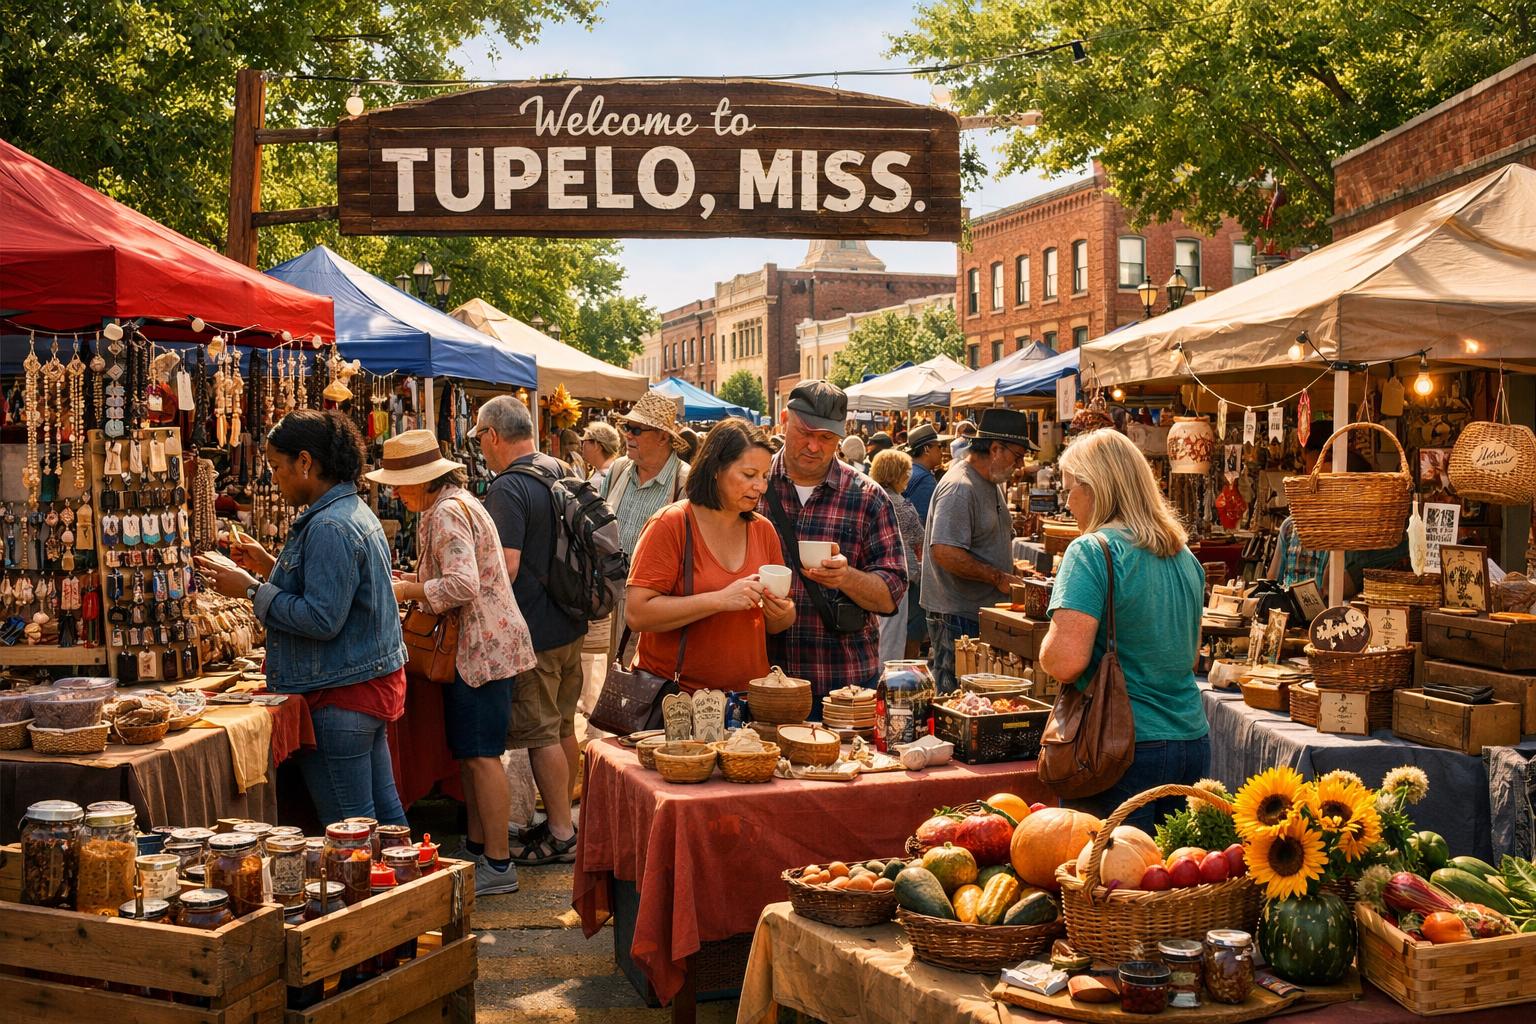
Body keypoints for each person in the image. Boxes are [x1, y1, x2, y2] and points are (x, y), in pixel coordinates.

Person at [197, 410, 408, 826]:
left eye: (278, 467)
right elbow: (335, 591)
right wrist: (268, 565)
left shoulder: (329, 524)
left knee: (352, 832)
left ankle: (375, 893)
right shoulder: (350, 510)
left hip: (339, 695)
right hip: (359, 688)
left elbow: (322, 618)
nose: (275, 478)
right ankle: (409, 886)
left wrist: (252, 590)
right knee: (383, 818)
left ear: (306, 463)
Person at [367, 430, 536, 895]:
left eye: (400, 484)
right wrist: (416, 580)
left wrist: (407, 590)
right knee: (473, 755)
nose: (395, 493)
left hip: (478, 651)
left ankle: (498, 864)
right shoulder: (454, 503)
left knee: (482, 758)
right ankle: (482, 851)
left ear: (423, 480)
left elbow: (462, 585)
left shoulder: (444, 514)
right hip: (481, 648)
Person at [1038, 427, 1208, 830]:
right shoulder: (1182, 555)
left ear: (1094, 487)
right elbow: (1187, 652)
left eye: (1069, 489)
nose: (1067, 502)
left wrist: (1048, 643)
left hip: (1118, 747)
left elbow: (1064, 662)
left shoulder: (1092, 550)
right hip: (1191, 738)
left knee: (1112, 883)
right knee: (1174, 884)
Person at [474, 396, 584, 866]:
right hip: (570, 622)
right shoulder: (560, 470)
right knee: (562, 726)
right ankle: (568, 818)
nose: (479, 446)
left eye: (478, 437)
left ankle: (561, 833)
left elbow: (509, 565)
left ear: (493, 436)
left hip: (533, 630)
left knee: (540, 735)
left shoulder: (508, 488)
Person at [759, 381, 907, 710]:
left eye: (826, 438)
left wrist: (846, 578)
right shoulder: (752, 484)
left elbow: (892, 593)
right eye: (804, 432)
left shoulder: (868, 497)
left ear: (841, 436)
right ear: (784, 421)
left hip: (844, 686)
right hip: (761, 681)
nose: (813, 446)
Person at [626, 419, 796, 689]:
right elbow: (636, 614)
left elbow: (778, 624)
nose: (761, 487)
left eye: (765, 477)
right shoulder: (671, 524)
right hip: (677, 704)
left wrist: (782, 611)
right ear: (716, 469)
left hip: (748, 701)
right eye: (749, 475)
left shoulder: (763, 530)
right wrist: (719, 600)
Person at [922, 409, 1032, 693]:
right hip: (957, 615)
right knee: (955, 695)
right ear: (995, 449)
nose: (1020, 465)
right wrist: (997, 577)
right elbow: (944, 551)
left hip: (974, 612)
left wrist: (1012, 571)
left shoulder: (989, 481)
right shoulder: (960, 487)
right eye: (1018, 456)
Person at [601, 392, 692, 661]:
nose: (628, 435)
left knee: (649, 684)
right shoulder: (618, 470)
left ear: (664, 437)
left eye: (637, 429)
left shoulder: (684, 481)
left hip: (658, 607)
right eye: (627, 428)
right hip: (613, 603)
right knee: (616, 679)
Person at [870, 448, 922, 664]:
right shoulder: (900, 503)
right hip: (898, 576)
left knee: (876, 632)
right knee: (892, 636)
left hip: (870, 575)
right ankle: (886, 681)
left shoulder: (869, 495)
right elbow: (920, 538)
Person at [579, 421, 622, 487]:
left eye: (584, 441)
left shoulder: (598, 481)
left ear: (596, 445)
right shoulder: (618, 471)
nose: (582, 446)